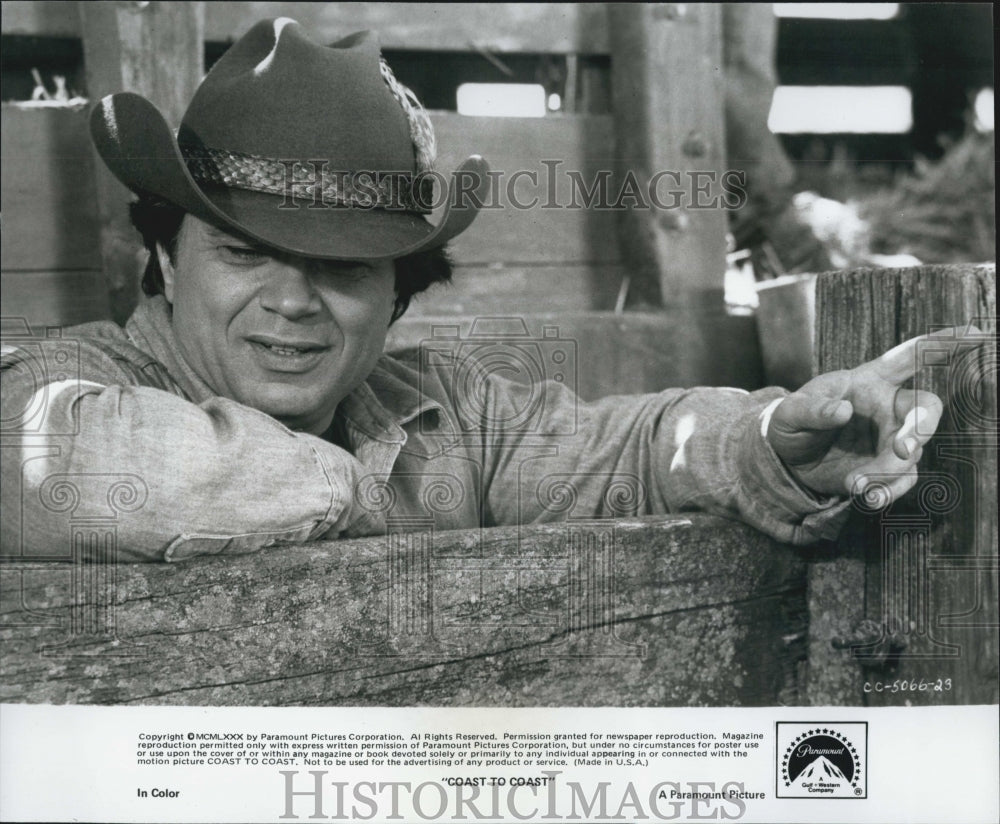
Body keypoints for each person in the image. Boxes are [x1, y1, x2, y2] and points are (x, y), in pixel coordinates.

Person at [0, 18, 957, 563]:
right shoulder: (55, 384)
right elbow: (79, 479)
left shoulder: (441, 409)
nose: (293, 300)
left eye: (341, 267)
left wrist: (770, 447)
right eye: (245, 254)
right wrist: (392, 490)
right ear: (166, 259)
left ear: (399, 296)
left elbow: (622, 451)